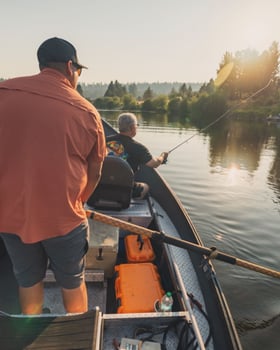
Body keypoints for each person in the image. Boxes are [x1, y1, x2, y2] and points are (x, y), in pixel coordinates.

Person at [0, 37, 106, 315]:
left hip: (10, 217)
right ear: (70, 67)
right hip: (64, 219)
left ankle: (31, 330)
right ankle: (76, 333)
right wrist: (78, 201)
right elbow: (95, 173)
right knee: (72, 281)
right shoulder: (87, 112)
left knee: (27, 279)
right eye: (78, 71)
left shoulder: (3, 92)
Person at [106, 112, 168, 198]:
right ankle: (130, 203)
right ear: (132, 128)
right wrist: (162, 156)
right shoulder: (138, 148)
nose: (137, 127)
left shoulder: (104, 140)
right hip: (124, 187)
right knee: (145, 187)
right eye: (136, 125)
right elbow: (154, 163)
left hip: (102, 183)